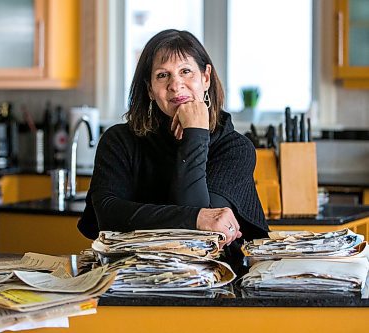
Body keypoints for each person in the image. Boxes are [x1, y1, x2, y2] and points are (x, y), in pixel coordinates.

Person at [78, 29, 268, 247]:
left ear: (205, 78)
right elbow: (108, 216)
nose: (175, 85)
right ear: (150, 89)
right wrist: (196, 218)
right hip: (133, 273)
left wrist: (195, 134)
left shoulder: (235, 148)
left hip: (215, 275)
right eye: (162, 75)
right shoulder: (118, 141)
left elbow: (201, 240)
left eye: (186, 71)